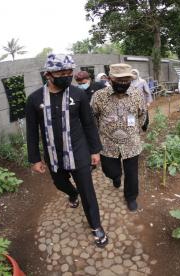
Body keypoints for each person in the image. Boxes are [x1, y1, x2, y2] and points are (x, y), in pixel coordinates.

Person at [25, 53, 108, 247]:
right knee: (60, 183)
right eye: (61, 72)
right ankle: (71, 193)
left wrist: (95, 150)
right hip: (53, 155)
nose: (66, 75)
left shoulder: (77, 94)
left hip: (78, 151)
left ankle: (96, 226)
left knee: (87, 191)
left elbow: (88, 124)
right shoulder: (34, 99)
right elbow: (31, 131)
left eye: (69, 72)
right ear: (48, 74)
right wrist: (35, 159)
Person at [91, 63, 147, 212]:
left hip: (131, 142)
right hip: (108, 143)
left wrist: (133, 130)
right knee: (110, 171)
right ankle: (116, 177)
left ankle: (131, 197)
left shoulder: (137, 94)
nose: (123, 84)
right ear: (110, 79)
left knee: (132, 173)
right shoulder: (99, 96)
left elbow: (142, 115)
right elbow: (93, 118)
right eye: (119, 80)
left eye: (126, 81)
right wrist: (100, 134)